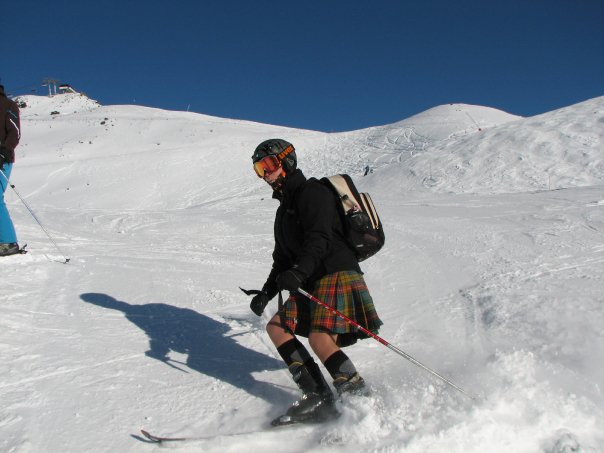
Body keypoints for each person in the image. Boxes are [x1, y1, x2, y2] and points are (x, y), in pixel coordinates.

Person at [246, 138, 383, 425]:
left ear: (287, 161)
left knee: (320, 338)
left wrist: (299, 272)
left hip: (335, 272)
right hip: (311, 278)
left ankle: (361, 401)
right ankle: (319, 397)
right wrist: (266, 293)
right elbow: (281, 260)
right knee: (277, 327)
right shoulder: (283, 211)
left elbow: (319, 239)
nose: (266, 173)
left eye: (269, 164)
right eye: (260, 168)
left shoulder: (312, 192)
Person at [0, 84, 22, 257]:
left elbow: (15, 132)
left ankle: (8, 242)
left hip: (2, 159)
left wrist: (4, 152)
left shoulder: (7, 104)